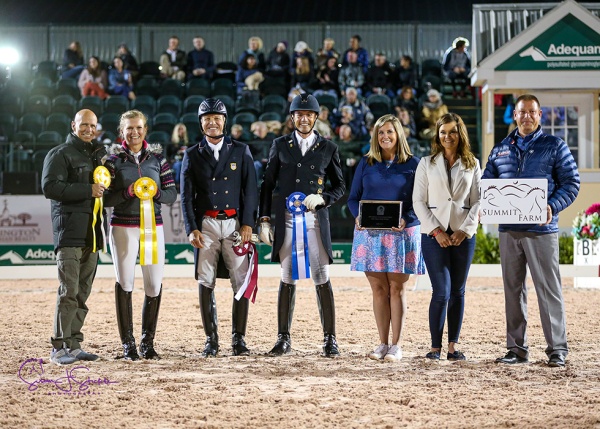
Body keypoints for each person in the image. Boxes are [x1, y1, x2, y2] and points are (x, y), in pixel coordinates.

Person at [483, 94, 580, 368]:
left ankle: (557, 350)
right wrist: (484, 203)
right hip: (509, 231)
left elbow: (571, 183)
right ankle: (516, 349)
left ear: (540, 116)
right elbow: (487, 183)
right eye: (521, 112)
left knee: (548, 290)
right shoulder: (500, 149)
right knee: (512, 291)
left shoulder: (555, 146)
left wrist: (552, 205)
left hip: (542, 230)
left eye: (531, 112)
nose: (526, 116)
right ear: (514, 115)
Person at [258, 93, 346, 358]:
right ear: (292, 117)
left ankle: (330, 339)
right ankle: (283, 338)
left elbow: (340, 185)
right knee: (287, 277)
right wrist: (263, 219)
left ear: (316, 118)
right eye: (299, 114)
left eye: (309, 115)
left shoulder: (328, 148)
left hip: (315, 220)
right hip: (287, 220)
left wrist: (324, 198)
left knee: (322, 277)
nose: (304, 118)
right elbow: (267, 184)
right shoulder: (280, 145)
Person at [180, 98, 258, 358]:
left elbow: (250, 190)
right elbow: (185, 195)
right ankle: (211, 339)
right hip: (207, 224)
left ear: (225, 121)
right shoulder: (191, 154)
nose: (212, 122)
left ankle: (239, 339)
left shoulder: (241, 150)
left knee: (241, 281)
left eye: (217, 118)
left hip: (235, 223)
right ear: (201, 123)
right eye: (207, 118)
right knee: (206, 280)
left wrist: (248, 223)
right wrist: (191, 227)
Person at [347, 114, 424, 361]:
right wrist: (357, 216)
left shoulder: (414, 164)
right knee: (379, 290)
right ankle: (381, 343)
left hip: (402, 234)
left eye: (390, 132)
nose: (385, 137)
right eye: (381, 133)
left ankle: (396, 345)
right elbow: (352, 199)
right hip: (371, 235)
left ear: (399, 134)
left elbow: (422, 201)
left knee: (396, 288)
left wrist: (407, 218)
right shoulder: (366, 163)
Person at [103, 110, 177, 360]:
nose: (134, 132)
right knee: (125, 283)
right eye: (129, 128)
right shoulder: (111, 161)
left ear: (145, 129)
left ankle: (147, 343)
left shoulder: (158, 160)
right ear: (121, 132)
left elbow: (171, 195)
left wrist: (153, 193)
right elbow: (105, 198)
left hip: (153, 228)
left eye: (138, 127)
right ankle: (128, 344)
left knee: (154, 285)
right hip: (123, 228)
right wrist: (129, 192)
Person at [412, 113, 481, 361]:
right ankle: (434, 348)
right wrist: (436, 230)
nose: (447, 136)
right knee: (441, 291)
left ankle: (453, 347)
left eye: (452, 131)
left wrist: (465, 230)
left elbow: (478, 200)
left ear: (460, 134)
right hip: (433, 235)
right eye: (443, 132)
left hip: (464, 234)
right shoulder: (426, 163)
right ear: (437, 135)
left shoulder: (473, 163)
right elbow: (418, 201)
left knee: (458, 291)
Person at [41, 109, 107, 365]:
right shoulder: (59, 154)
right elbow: (50, 187)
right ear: (73, 125)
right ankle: (58, 347)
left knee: (82, 292)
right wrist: (87, 189)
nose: (89, 129)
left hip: (92, 235)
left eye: (93, 125)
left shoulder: (98, 157)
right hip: (69, 233)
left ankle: (74, 344)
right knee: (68, 291)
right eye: (84, 125)